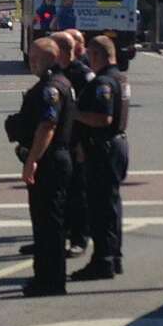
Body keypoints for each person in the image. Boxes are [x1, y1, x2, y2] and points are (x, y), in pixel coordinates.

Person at [11, 37, 74, 297]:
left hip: (50, 161)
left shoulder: (52, 88)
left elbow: (48, 126)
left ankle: (50, 281)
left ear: (43, 59)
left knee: (49, 224)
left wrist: (32, 160)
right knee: (46, 223)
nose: (31, 62)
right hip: (54, 158)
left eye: (34, 58)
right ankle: (46, 277)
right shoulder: (59, 82)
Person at [72, 35, 130, 280]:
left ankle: (103, 261)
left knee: (100, 208)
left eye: (90, 55)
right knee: (112, 206)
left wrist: (75, 113)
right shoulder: (121, 78)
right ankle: (114, 256)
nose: (88, 60)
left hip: (103, 148)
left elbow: (103, 118)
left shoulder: (103, 82)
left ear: (97, 55)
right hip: (116, 144)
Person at [59, 30, 96, 259]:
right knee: (61, 193)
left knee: (78, 193)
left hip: (78, 142)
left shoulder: (83, 75)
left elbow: (89, 111)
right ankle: (57, 236)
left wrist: (83, 143)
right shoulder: (57, 72)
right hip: (61, 141)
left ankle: (80, 239)